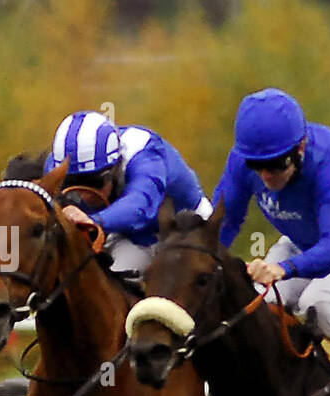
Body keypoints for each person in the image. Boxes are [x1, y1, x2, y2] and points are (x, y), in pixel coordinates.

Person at [214, 88, 330, 386]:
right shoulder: (241, 158)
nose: (266, 176)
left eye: (276, 164)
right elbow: (225, 222)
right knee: (254, 309)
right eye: (256, 166)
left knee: (320, 307)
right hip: (297, 245)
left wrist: (283, 269)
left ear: (301, 147)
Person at [46, 110, 211, 275]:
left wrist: (91, 221)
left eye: (93, 182)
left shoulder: (145, 154)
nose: (84, 194)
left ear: (116, 166)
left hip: (184, 230)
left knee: (117, 274)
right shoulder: (55, 164)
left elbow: (139, 206)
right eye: (70, 182)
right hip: (120, 231)